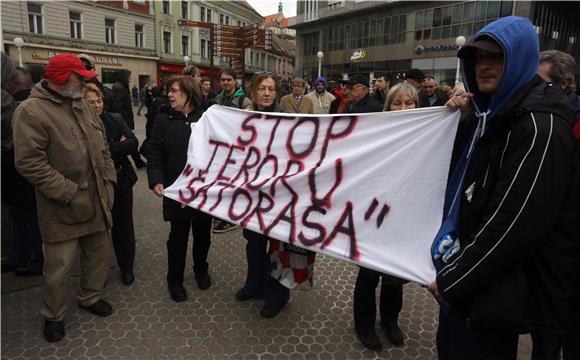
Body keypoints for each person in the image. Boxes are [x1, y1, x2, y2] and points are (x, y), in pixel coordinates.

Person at [427, 17, 580, 360]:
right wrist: (462, 125)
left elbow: (514, 224)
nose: (484, 66)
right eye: (478, 59)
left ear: (521, 59)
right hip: (466, 287)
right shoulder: (493, 116)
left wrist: (454, 278)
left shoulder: (540, 127)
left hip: (488, 295)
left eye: (495, 58)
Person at [12, 53, 117, 342]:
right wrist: (68, 192)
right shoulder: (31, 111)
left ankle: (90, 297)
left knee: (99, 256)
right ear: (60, 78)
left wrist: (109, 180)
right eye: (79, 77)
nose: (86, 82)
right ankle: (54, 315)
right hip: (61, 208)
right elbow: (29, 163)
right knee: (58, 270)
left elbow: (103, 145)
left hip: (97, 200)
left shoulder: (83, 103)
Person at [353, 82, 418, 351]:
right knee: (368, 275)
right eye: (397, 102)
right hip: (374, 214)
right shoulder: (376, 133)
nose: (403, 108)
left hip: (404, 216)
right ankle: (364, 324)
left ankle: (390, 321)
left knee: (395, 275)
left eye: (409, 103)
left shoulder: (428, 133)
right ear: (388, 105)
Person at [147, 75, 214, 302]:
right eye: (169, 90)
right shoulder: (163, 119)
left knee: (203, 235)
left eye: (175, 90)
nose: (170, 94)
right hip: (177, 191)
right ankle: (174, 280)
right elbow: (154, 151)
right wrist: (156, 179)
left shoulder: (207, 117)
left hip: (204, 190)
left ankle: (201, 270)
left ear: (189, 93)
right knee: (178, 237)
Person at [532, 49, 580, 360]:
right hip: (548, 258)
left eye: (540, 83)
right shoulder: (543, 119)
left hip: (566, 256)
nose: (532, 90)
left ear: (562, 86)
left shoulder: (568, 125)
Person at [235, 72, 292, 319]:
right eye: (262, 89)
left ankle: (276, 296)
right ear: (254, 92)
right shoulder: (244, 119)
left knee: (277, 247)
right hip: (253, 195)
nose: (266, 93)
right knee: (254, 244)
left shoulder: (290, 119)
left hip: (280, 195)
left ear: (276, 93)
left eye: (271, 89)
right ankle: (254, 285)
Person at [84, 83, 138, 286]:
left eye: (99, 101)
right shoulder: (79, 123)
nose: (97, 105)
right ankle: (96, 274)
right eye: (91, 102)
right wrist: (117, 146)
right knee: (97, 231)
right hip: (94, 185)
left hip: (121, 180)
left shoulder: (115, 119)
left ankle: (127, 267)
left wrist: (107, 148)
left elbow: (132, 142)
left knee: (124, 227)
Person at [3, 65, 44, 277]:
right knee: (20, 221)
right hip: (18, 177)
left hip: (23, 176)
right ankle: (18, 258)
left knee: (28, 222)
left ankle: (35, 261)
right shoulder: (25, 103)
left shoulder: (18, 105)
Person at [212, 68, 251, 234]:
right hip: (222, 149)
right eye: (223, 80)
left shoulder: (244, 100)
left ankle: (232, 217)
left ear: (235, 81)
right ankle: (221, 214)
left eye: (229, 79)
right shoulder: (218, 99)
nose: (226, 82)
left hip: (237, 149)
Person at [111, 69, 147, 169]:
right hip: (122, 122)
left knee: (130, 142)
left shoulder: (120, 86)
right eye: (129, 76)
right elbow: (117, 107)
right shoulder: (120, 88)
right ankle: (129, 163)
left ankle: (137, 162)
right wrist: (122, 123)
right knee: (130, 142)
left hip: (123, 121)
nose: (130, 78)